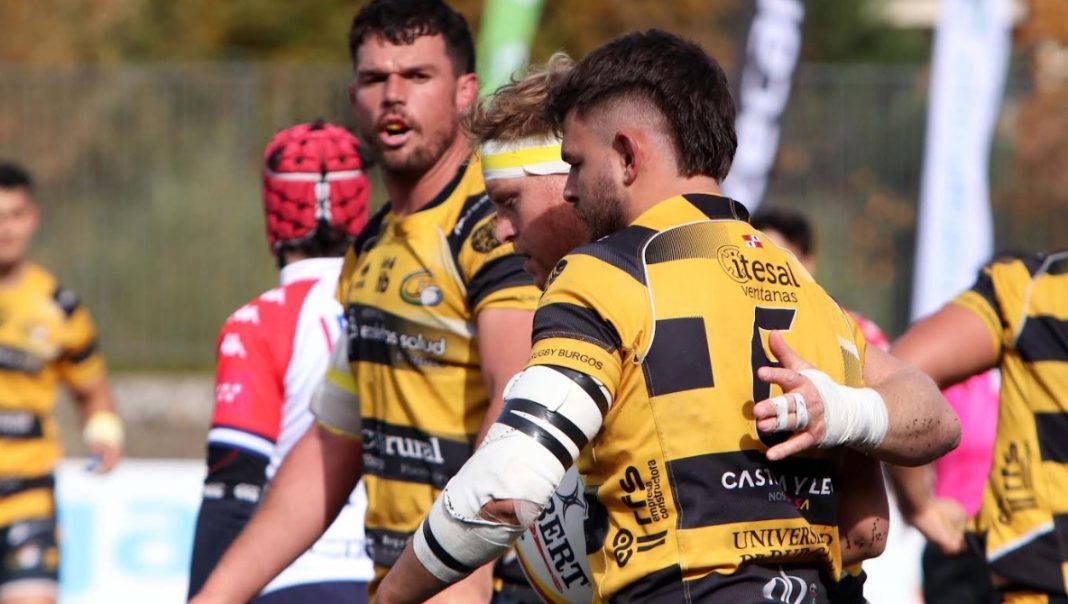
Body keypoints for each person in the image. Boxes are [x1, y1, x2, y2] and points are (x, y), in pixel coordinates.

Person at [376, 29, 955, 603]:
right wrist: (847, 416)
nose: (572, 189)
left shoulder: (606, 275)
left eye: (576, 165)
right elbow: (875, 514)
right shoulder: (808, 294)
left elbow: (506, 488)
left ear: (627, 155)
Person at [189, 2, 539, 602]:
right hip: (402, 582)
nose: (393, 96)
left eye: (418, 76)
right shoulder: (372, 246)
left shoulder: (493, 225)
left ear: (465, 93)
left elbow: (517, 403)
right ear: (355, 97)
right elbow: (334, 440)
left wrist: (461, 575)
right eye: (376, 78)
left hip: (490, 587)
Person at [186, 121, 374, 602]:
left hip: (293, 572)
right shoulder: (403, 306)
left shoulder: (258, 322)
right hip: (404, 570)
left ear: (274, 213)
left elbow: (234, 482)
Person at [891, 250, 1068, 604]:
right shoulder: (963, 385)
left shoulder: (1032, 291)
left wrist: (917, 506)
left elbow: (899, 373)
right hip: (962, 546)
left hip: (1037, 572)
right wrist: (924, 506)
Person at [0, 161, 123, 604]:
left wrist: (104, 432)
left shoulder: (60, 309)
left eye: (15, 215)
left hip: (28, 494)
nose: (6, 229)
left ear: (33, 218)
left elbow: (92, 391)